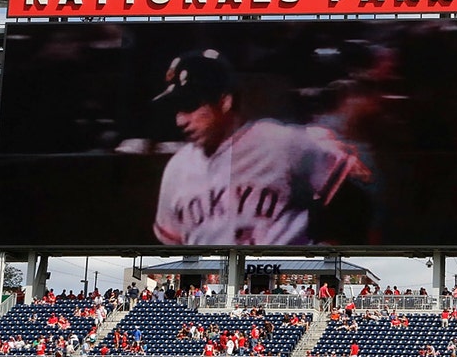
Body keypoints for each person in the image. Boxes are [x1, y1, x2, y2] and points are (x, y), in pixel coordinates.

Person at [153, 48, 374, 246]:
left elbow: (353, 204)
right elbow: (173, 244)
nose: (180, 121)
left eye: (190, 106)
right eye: (177, 109)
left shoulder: (282, 142)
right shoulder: (176, 169)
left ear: (225, 101)